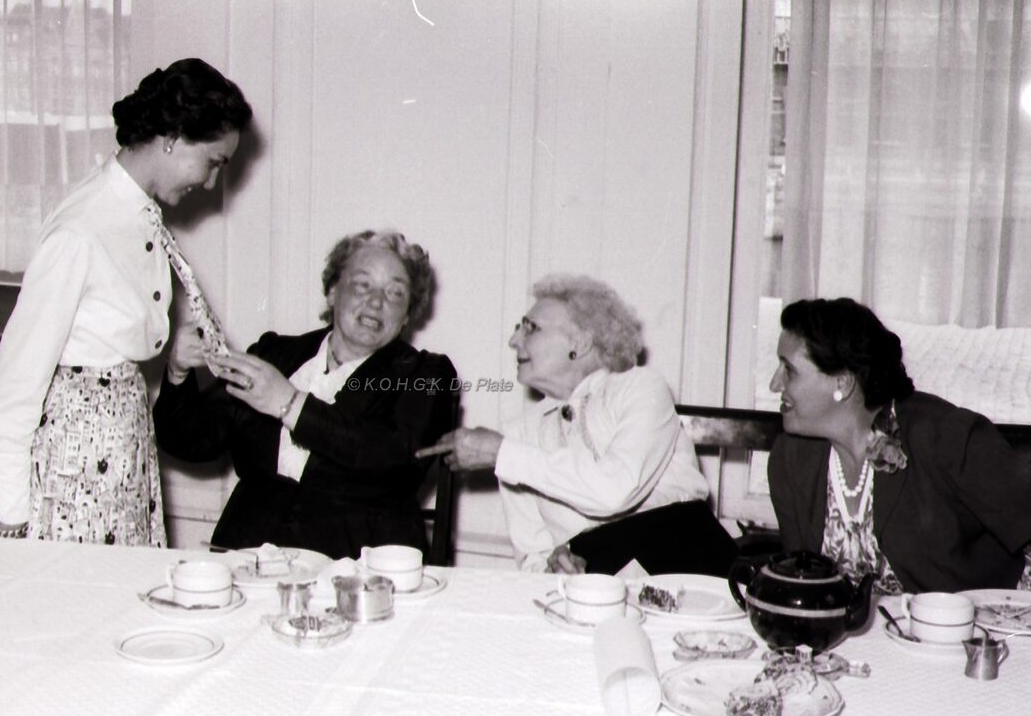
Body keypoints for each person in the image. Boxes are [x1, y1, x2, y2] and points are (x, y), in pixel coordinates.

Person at [0, 58, 252, 545]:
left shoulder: (137, 214)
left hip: (121, 460)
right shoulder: (82, 229)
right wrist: (12, 517)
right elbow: (16, 383)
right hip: (72, 475)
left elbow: (103, 334)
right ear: (173, 137)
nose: (210, 183)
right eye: (213, 163)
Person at [153, 229, 457, 559]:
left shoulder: (426, 374)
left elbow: (395, 463)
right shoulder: (274, 354)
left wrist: (290, 404)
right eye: (362, 284)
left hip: (358, 566)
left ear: (408, 314)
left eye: (395, 293)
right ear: (332, 292)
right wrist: (178, 372)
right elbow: (190, 441)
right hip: (247, 558)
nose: (376, 301)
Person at [431, 274, 734, 576]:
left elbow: (615, 490)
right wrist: (556, 567)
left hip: (690, 568)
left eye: (531, 328)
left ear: (580, 342)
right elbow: (534, 558)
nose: (514, 341)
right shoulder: (520, 434)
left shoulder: (641, 388)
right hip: (600, 588)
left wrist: (502, 454)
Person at [767, 297, 1031, 593]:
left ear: (842, 383)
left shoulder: (945, 437)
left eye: (788, 370)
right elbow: (803, 583)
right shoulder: (790, 458)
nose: (774, 384)